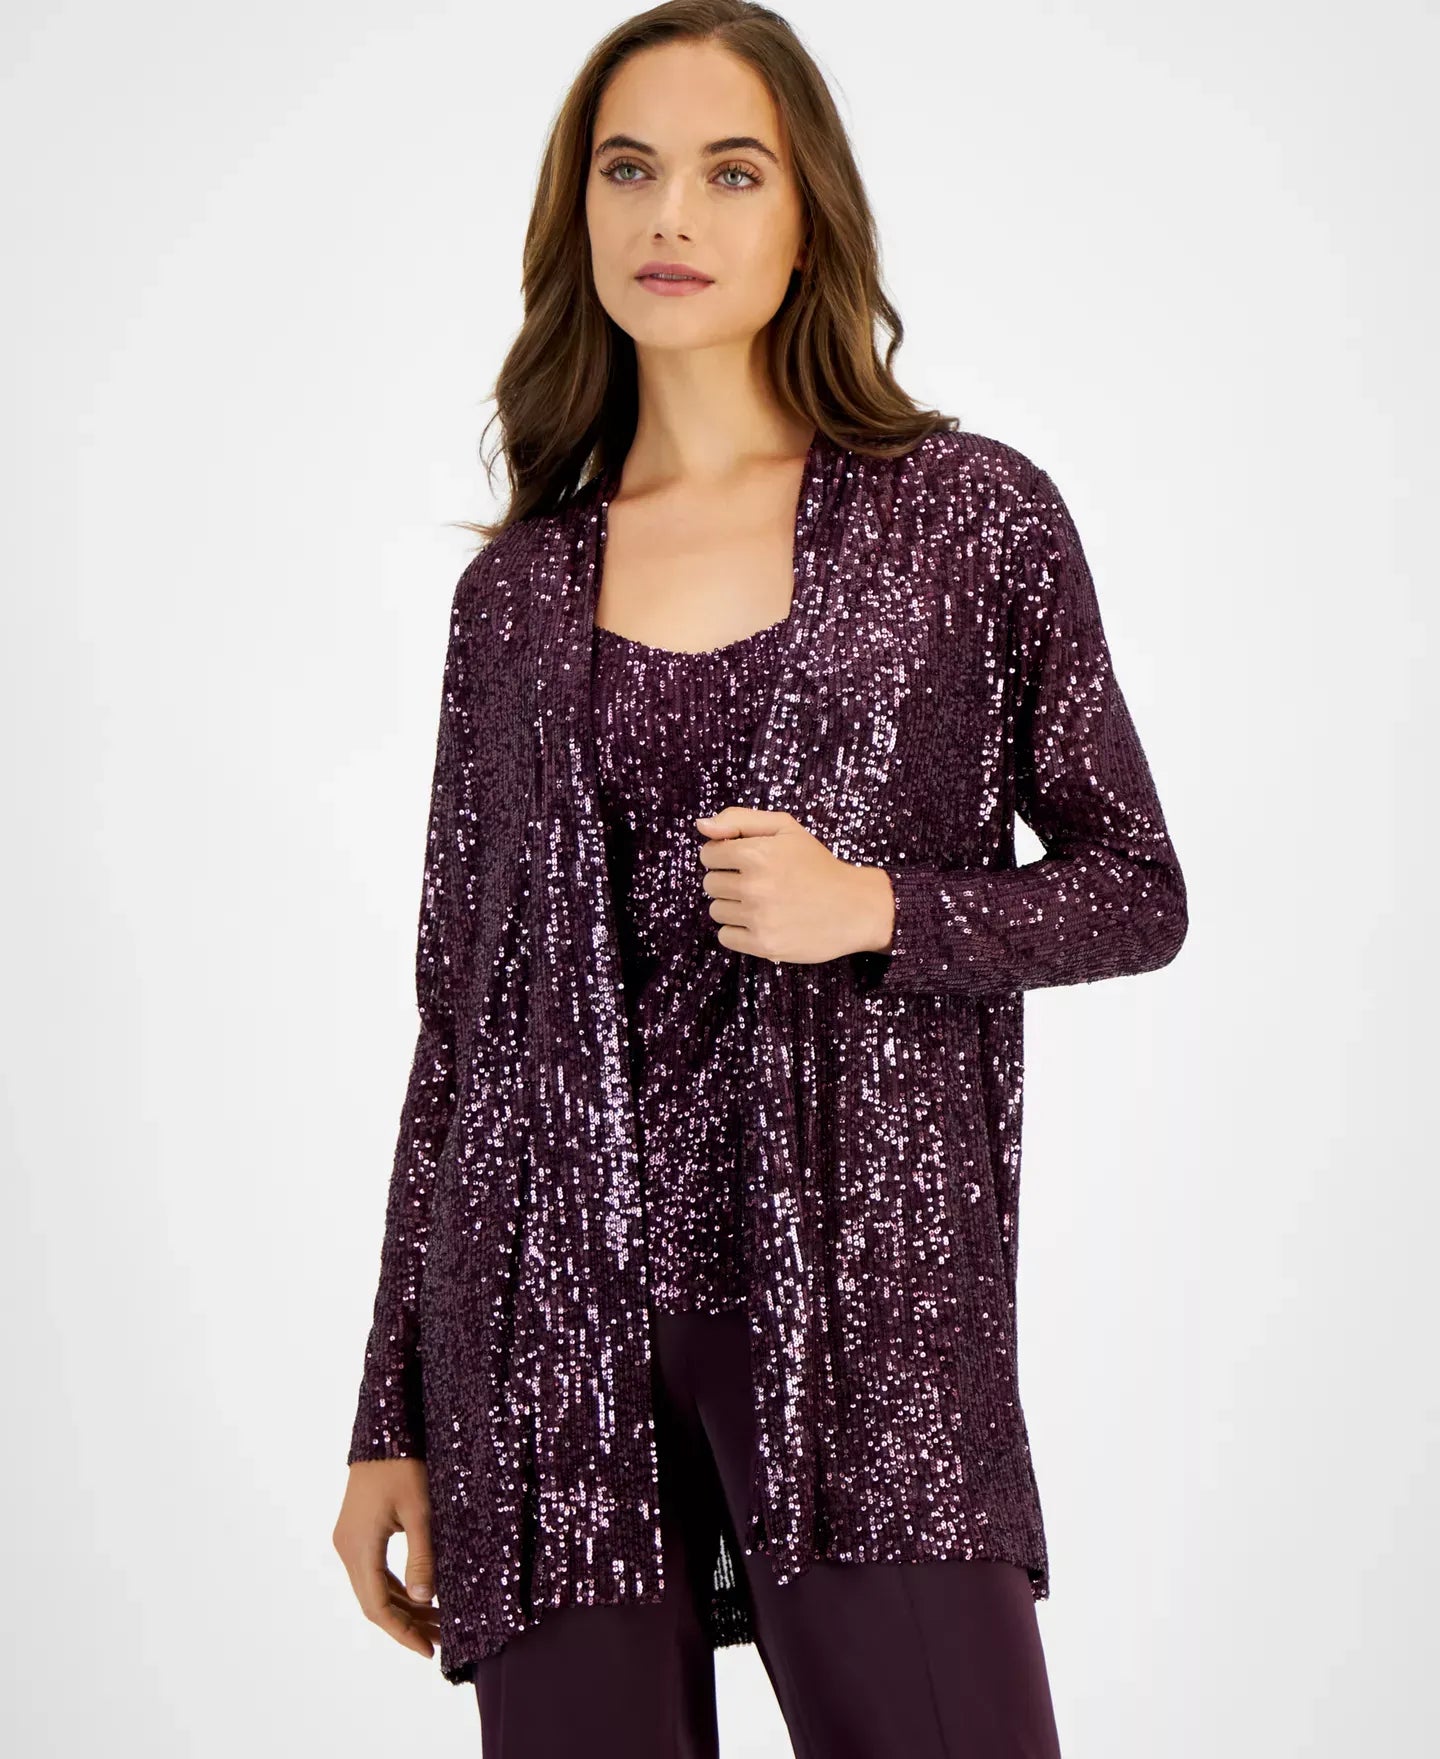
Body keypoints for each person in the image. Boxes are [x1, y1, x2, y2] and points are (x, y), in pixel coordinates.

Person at [332, 4, 1188, 1754]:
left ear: (810, 220)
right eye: (627, 170)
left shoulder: (966, 520)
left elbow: (1136, 884)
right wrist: (388, 1413)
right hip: (546, 1333)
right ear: (578, 213)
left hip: (866, 1320)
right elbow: (459, 1032)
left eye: (732, 173)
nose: (671, 215)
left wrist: (883, 910)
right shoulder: (514, 599)